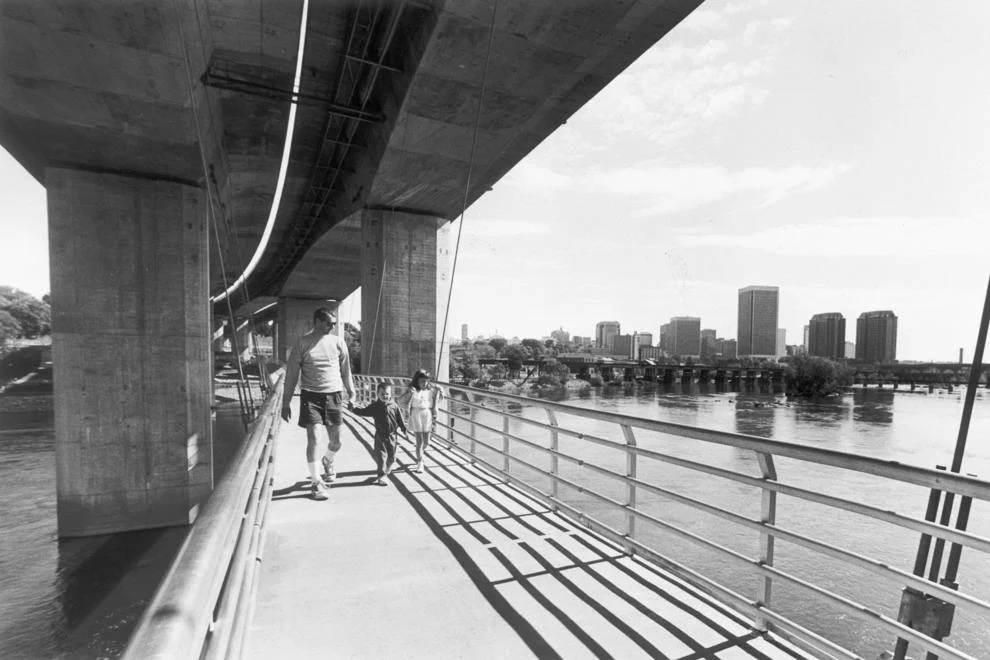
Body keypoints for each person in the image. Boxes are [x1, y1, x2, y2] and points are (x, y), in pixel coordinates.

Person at [281, 307, 354, 500]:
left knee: (336, 442)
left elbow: (346, 371)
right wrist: (285, 402)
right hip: (310, 397)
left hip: (334, 396)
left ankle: (327, 460)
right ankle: (315, 482)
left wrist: (352, 393)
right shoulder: (302, 343)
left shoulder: (338, 343)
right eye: (330, 323)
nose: (333, 327)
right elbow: (291, 376)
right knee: (314, 439)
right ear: (319, 322)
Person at [351, 383, 408, 485]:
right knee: (381, 457)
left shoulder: (394, 406)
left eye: (387, 394)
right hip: (380, 436)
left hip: (392, 435)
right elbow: (364, 411)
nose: (385, 396)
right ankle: (381, 476)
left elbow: (400, 418)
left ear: (390, 394)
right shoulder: (375, 406)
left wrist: (404, 429)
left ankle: (388, 467)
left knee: (392, 458)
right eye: (382, 393)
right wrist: (353, 409)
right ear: (377, 394)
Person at [401, 369, 442, 473]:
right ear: (417, 380)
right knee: (419, 441)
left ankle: (420, 452)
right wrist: (409, 394)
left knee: (427, 441)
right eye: (422, 381)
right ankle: (420, 462)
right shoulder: (412, 390)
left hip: (427, 414)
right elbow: (401, 401)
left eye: (426, 381)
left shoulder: (431, 390)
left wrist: (440, 390)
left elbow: (439, 398)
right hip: (416, 414)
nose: (425, 383)